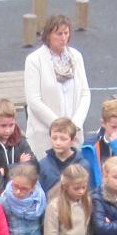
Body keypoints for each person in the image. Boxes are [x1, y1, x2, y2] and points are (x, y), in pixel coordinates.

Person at [23, 14, 92, 156]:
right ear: (48, 35)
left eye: (66, 33)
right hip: (45, 136)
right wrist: (59, 128)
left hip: (73, 134)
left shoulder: (76, 56)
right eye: (59, 33)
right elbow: (34, 100)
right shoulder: (34, 60)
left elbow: (85, 93)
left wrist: (74, 125)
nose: (63, 37)